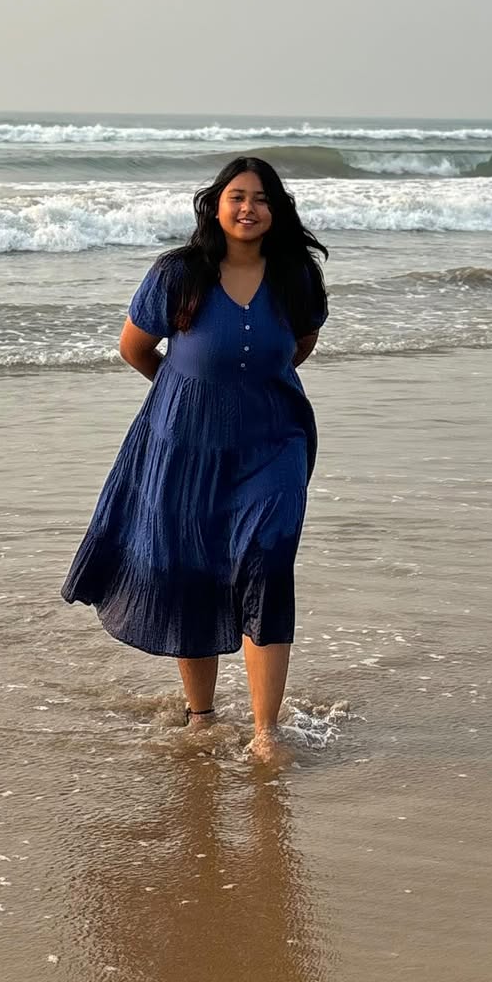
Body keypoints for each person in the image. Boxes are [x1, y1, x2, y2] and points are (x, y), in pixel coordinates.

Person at [61, 155, 328, 758]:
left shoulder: (296, 276)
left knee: (268, 561)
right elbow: (135, 348)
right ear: (216, 205)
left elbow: (301, 343)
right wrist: (187, 394)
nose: (249, 208)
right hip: (185, 444)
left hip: (274, 443)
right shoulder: (178, 273)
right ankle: (201, 715)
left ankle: (265, 732)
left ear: (277, 210)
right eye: (237, 196)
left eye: (261, 198)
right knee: (193, 567)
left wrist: (247, 387)